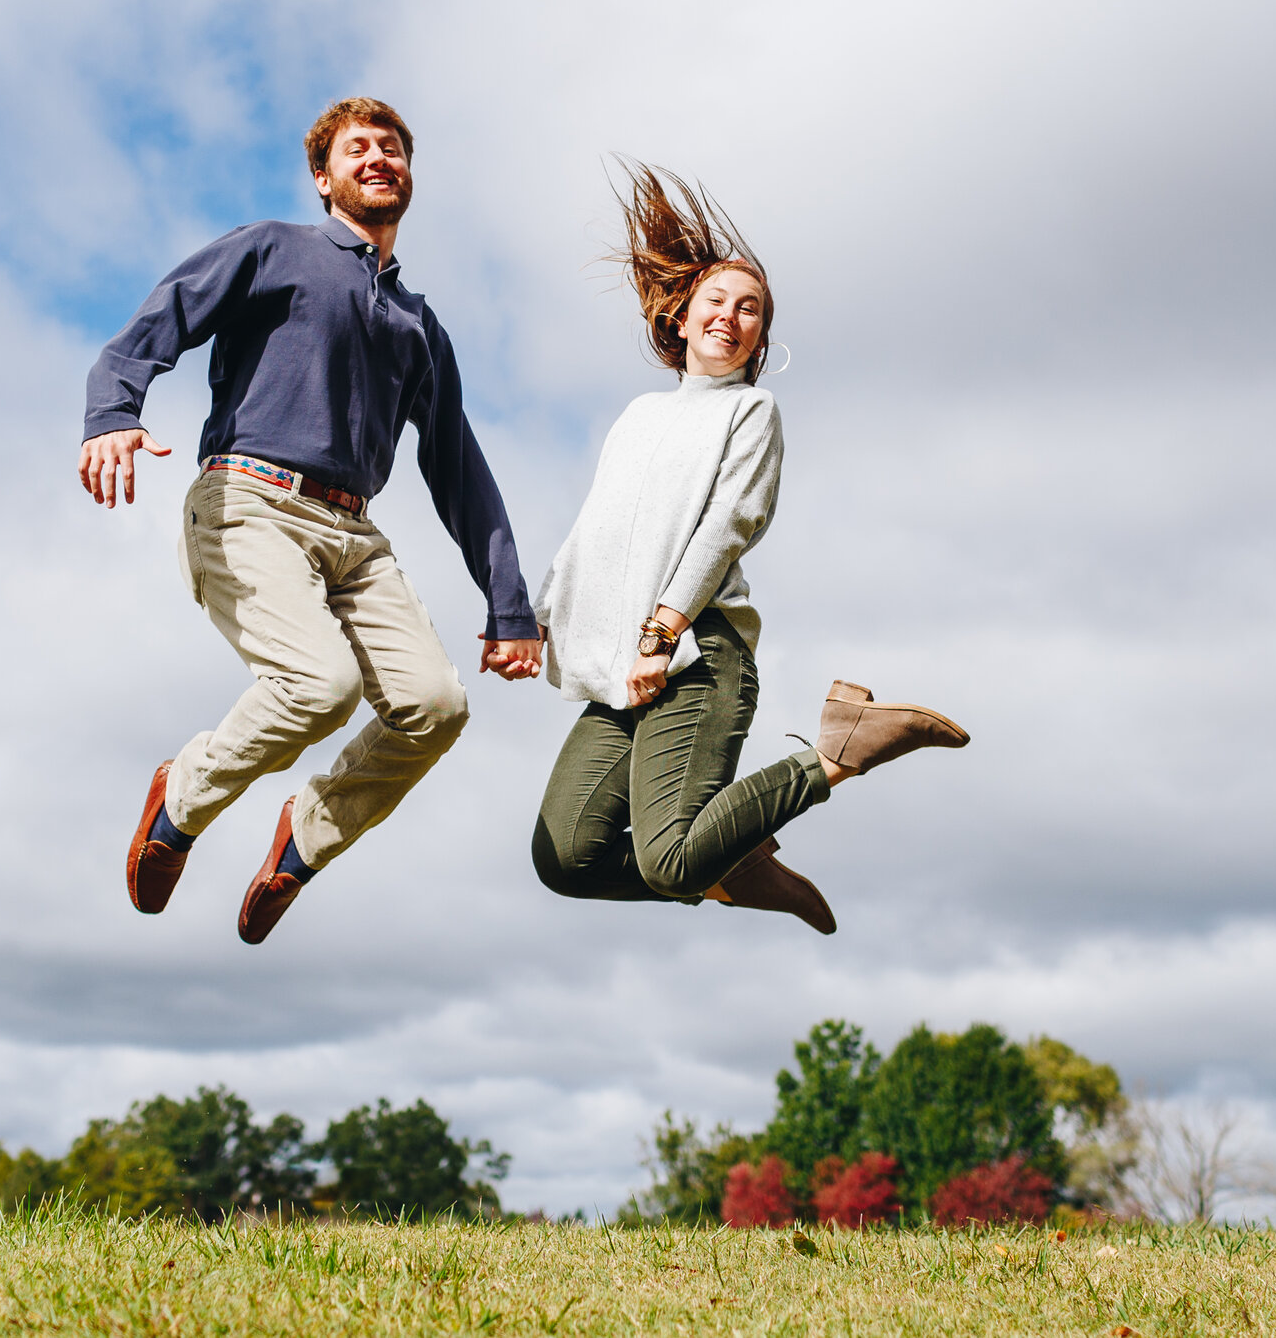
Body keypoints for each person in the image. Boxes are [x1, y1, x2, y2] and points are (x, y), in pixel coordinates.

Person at [80, 97, 543, 944]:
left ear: (409, 176)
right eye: (357, 148)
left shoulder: (419, 327)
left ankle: (307, 833)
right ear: (323, 177)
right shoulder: (275, 249)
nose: (379, 158)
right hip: (248, 500)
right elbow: (163, 317)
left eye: (394, 149)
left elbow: (457, 466)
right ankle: (179, 798)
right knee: (319, 685)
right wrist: (114, 410)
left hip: (354, 536)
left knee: (437, 705)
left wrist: (509, 606)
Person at [530, 164, 966, 933]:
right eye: (718, 301)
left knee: (666, 857)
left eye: (751, 309)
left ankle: (837, 751)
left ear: (762, 336)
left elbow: (726, 523)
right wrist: (534, 616)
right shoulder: (636, 416)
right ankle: (729, 861)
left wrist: (659, 632)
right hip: (620, 671)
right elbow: (594, 531)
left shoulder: (752, 412)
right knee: (564, 857)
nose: (731, 316)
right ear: (683, 315)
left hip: (697, 654)